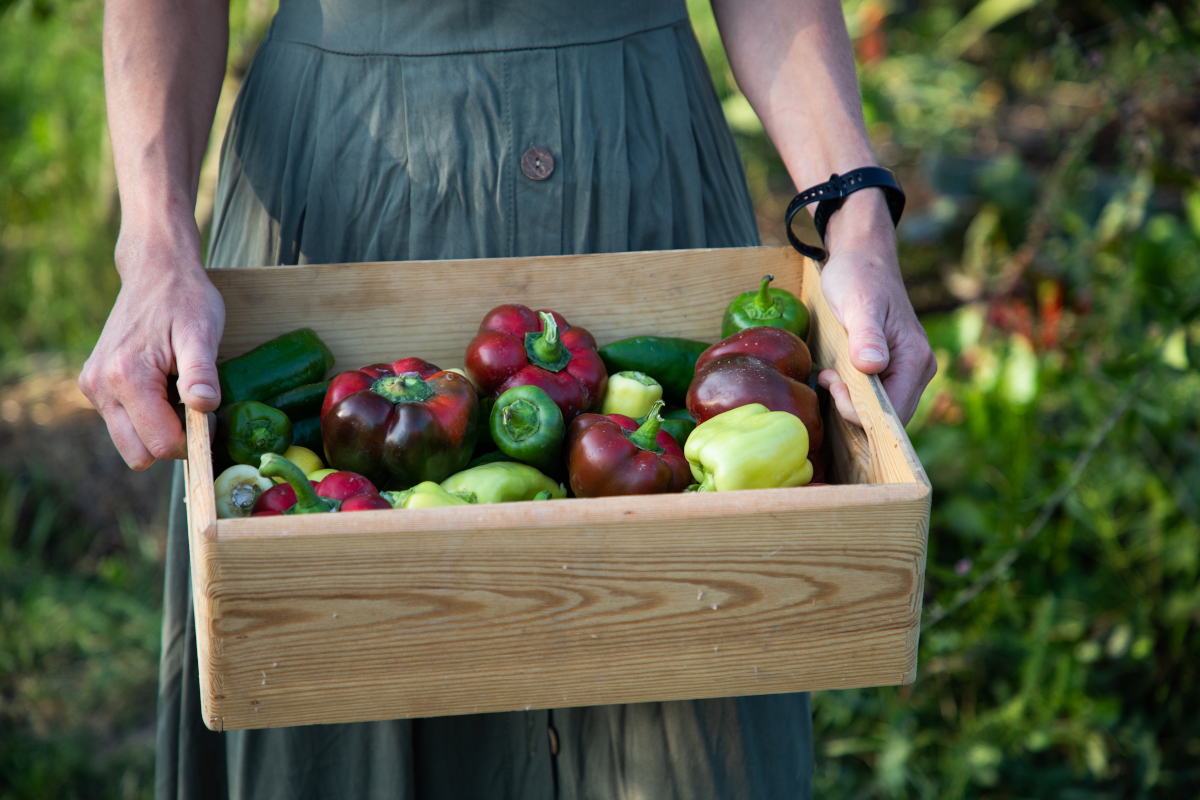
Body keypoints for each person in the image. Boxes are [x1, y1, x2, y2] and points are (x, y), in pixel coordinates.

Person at [81, 0, 937, 797]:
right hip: (345, 185)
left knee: (695, 653)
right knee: (330, 671)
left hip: (641, 170)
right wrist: (154, 245)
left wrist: (856, 216)